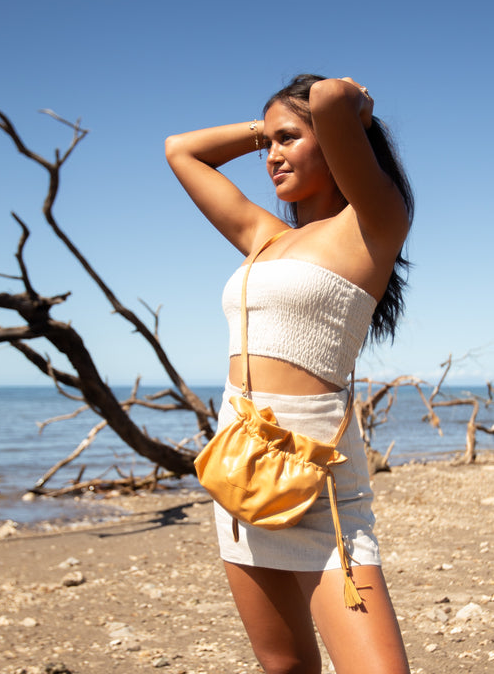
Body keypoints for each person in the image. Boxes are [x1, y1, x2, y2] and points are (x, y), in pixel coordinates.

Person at [165, 74, 414, 674]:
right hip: (242, 468)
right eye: (266, 144)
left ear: (337, 140)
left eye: (287, 140)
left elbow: (329, 97)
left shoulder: (373, 224)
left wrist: (347, 110)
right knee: (284, 667)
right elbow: (182, 149)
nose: (270, 155)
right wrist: (269, 129)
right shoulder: (264, 238)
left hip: (322, 483)